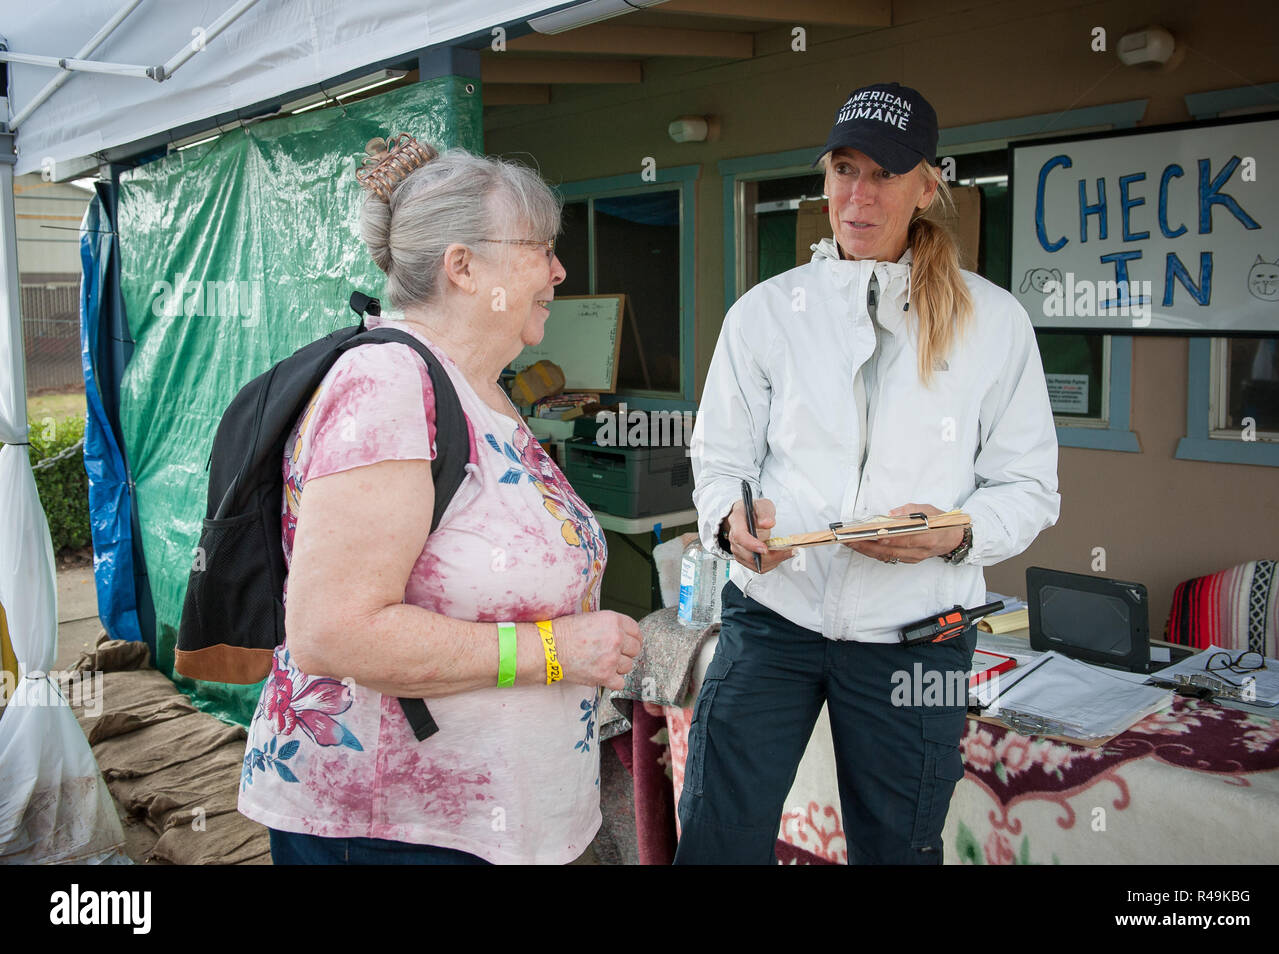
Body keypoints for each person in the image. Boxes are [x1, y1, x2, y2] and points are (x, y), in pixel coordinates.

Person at [677, 83, 1060, 864]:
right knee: (719, 834)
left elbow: (1029, 487)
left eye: (883, 173)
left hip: (915, 639)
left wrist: (958, 533)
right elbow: (720, 461)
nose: (858, 195)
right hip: (772, 620)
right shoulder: (766, 312)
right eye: (844, 169)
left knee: (897, 848)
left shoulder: (995, 324)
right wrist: (729, 523)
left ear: (926, 186)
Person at [237, 135, 642, 865]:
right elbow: (333, 634)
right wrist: (557, 652)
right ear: (463, 266)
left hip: (481, 821)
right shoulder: (389, 383)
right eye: (539, 249)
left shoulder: (479, 387)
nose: (558, 270)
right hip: (393, 827)